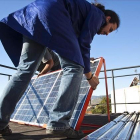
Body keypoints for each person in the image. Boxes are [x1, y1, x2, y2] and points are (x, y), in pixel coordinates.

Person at [0, 0, 120, 138]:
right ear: (108, 18)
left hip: (34, 14)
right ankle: (59, 123)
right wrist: (89, 76)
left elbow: (72, 46)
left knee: (24, 71)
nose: (107, 33)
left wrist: (83, 59)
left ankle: (0, 122)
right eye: (110, 29)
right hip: (53, 14)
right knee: (74, 67)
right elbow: (84, 44)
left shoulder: (80, 13)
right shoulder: (98, 15)